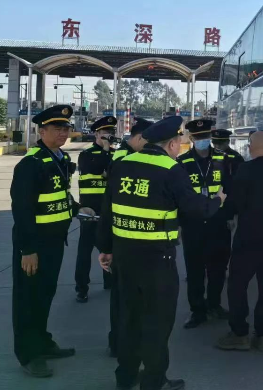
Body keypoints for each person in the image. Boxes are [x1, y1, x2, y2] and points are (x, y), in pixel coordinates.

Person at [97, 116, 225, 390]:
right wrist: (218, 200)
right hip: (157, 260)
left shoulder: (122, 163)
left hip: (124, 256)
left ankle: (126, 377)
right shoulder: (171, 169)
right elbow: (196, 209)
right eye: (179, 143)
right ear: (172, 144)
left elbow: (107, 209)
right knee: (157, 322)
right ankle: (154, 382)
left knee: (129, 318)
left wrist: (106, 248)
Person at [10, 104, 96, 378]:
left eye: (66, 128)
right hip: (34, 244)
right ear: (41, 131)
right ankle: (29, 354)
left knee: (45, 294)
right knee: (28, 299)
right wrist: (28, 249)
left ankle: (43, 342)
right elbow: (22, 210)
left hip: (55, 242)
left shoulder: (58, 159)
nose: (63, 133)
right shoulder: (31, 164)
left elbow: (59, 197)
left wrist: (78, 208)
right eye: (57, 128)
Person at [216, 131, 263, 352]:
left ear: (250, 147)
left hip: (248, 236)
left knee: (237, 284)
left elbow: (234, 204)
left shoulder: (244, 170)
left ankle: (239, 333)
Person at [178, 119, 233, 329]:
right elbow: (179, 196)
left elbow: (230, 189)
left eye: (205, 136)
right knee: (195, 270)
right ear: (191, 138)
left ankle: (214, 305)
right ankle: (197, 310)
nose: (202, 140)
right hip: (193, 225)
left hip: (218, 223)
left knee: (218, 268)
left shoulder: (223, 159)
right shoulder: (182, 162)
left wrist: (230, 216)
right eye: (198, 137)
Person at [105, 117, 152, 358]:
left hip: (128, 236)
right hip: (125, 238)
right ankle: (120, 344)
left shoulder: (124, 155)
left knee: (127, 297)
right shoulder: (125, 159)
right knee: (124, 298)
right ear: (139, 138)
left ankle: (122, 342)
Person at [74, 115, 117, 302]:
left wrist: (109, 152)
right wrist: (106, 151)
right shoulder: (86, 154)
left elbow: (114, 173)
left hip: (109, 212)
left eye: (110, 132)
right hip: (90, 212)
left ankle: (110, 281)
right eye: (104, 132)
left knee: (110, 249)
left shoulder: (116, 154)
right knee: (84, 253)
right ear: (97, 134)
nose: (108, 135)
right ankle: (81, 288)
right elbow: (99, 169)